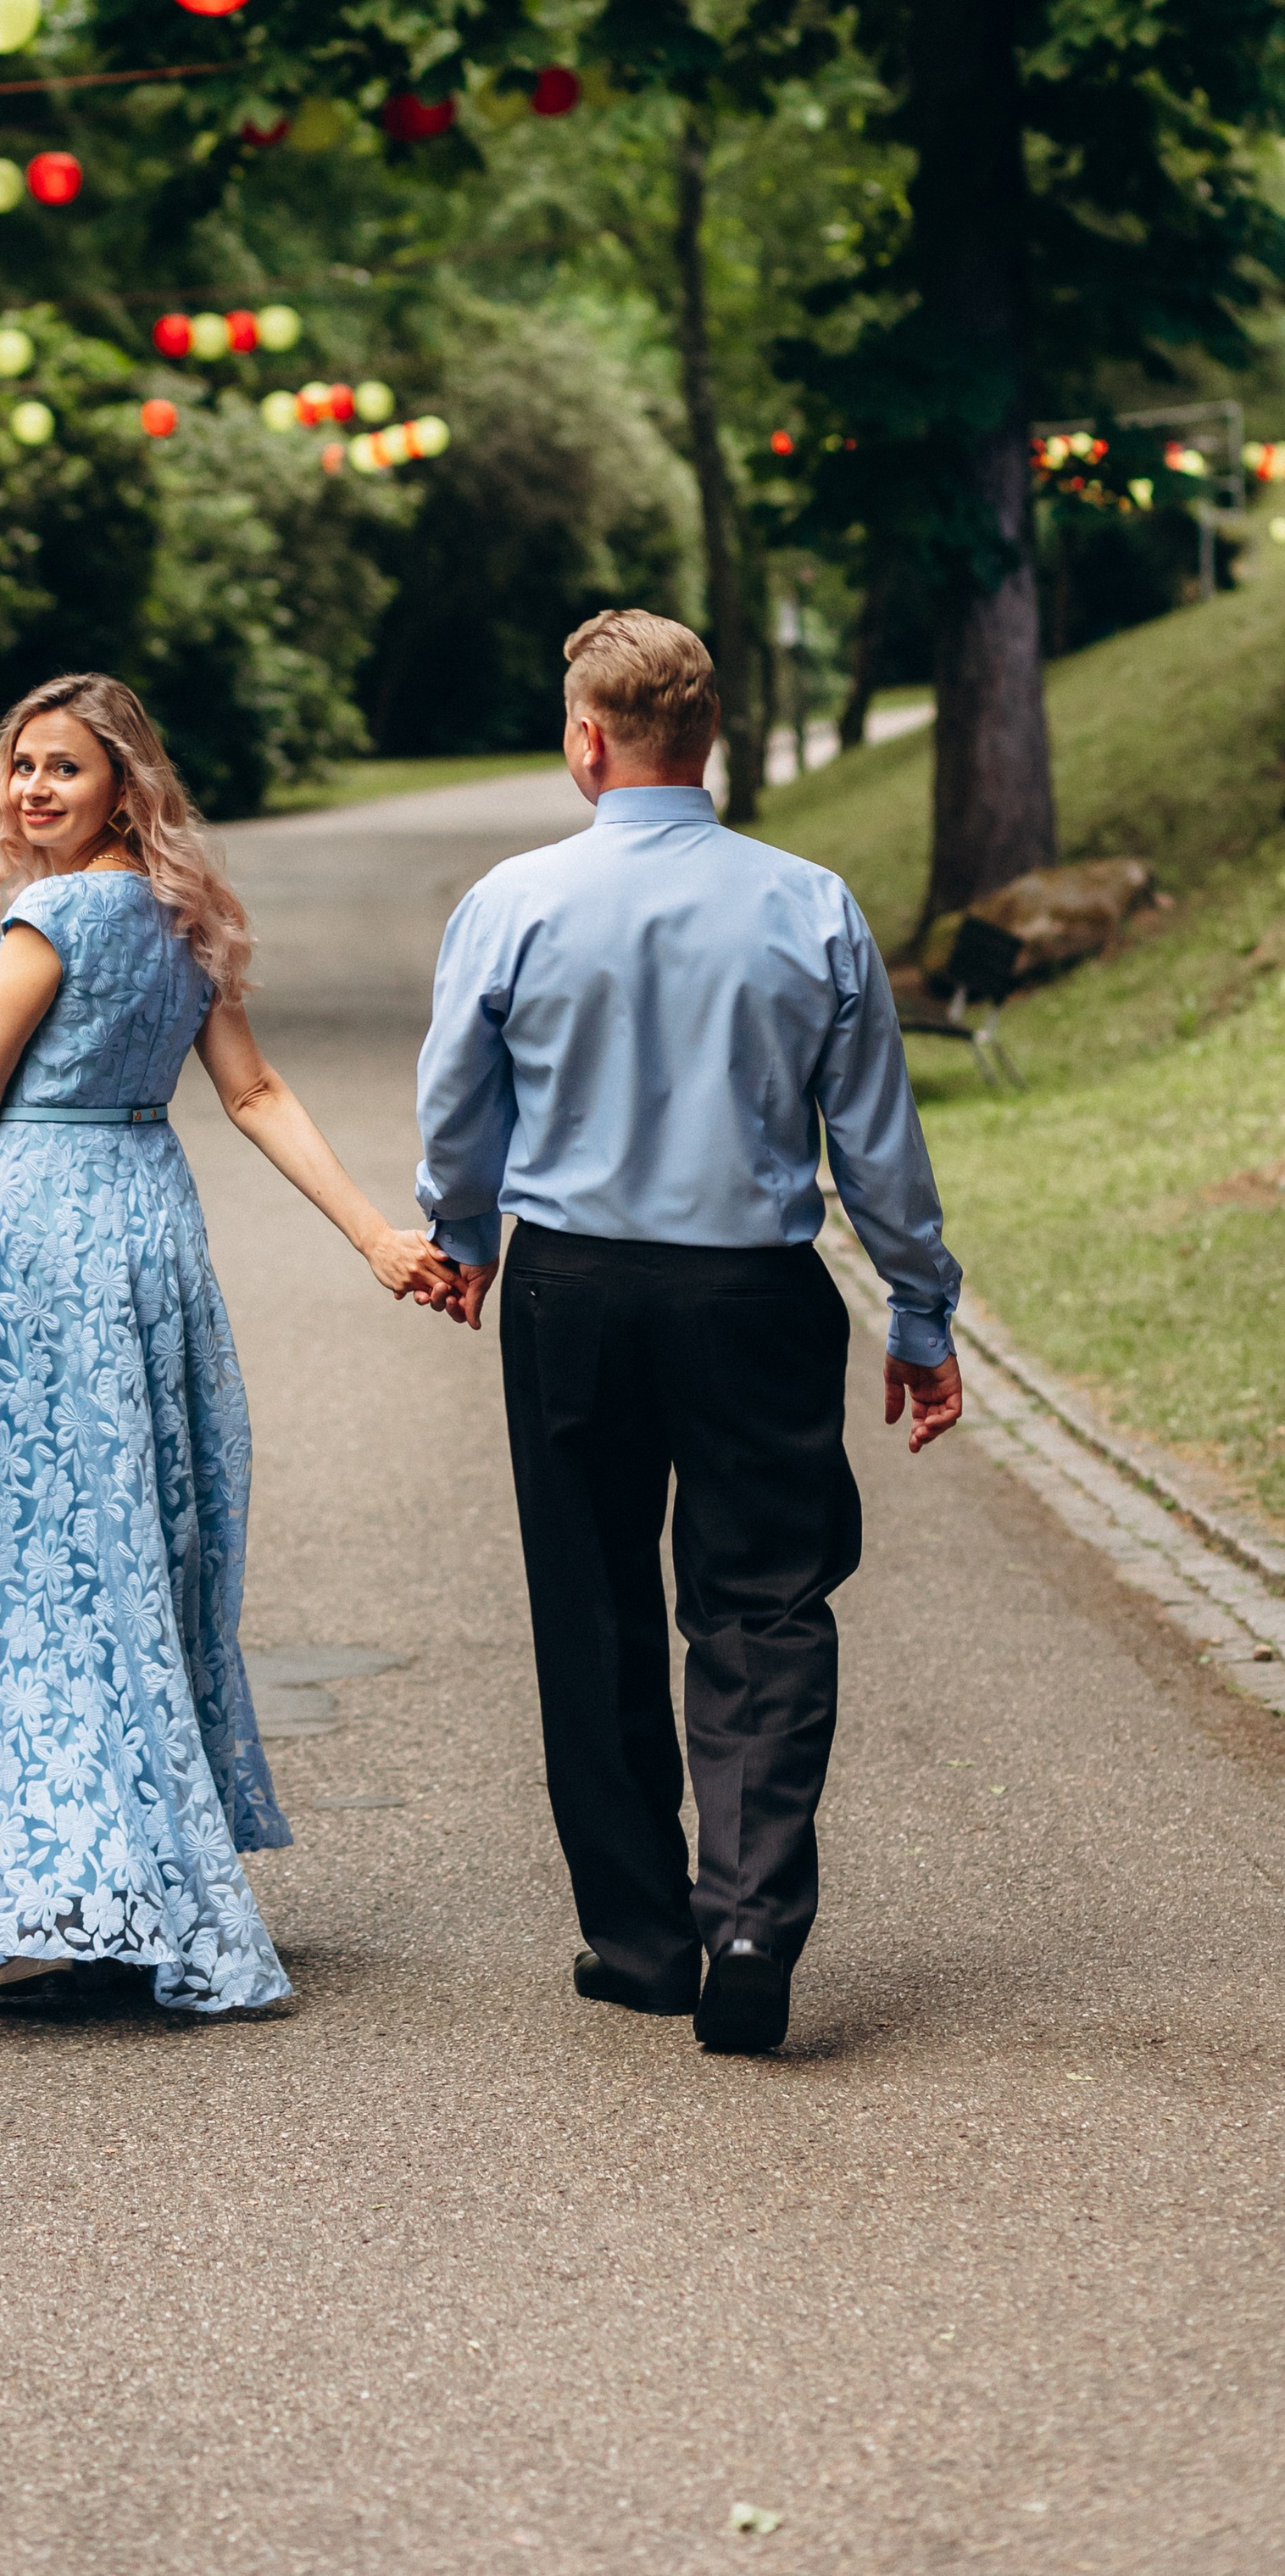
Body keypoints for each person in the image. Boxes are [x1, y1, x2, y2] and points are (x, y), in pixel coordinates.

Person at [0, 672, 453, 2019]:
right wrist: (373, 1235)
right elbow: (253, 1092)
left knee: (40, 1550)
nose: (33, 790)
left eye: (63, 768)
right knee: (129, 1541)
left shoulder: (46, 919)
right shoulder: (180, 917)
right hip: (147, 1230)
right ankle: (115, 1870)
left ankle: (64, 1874)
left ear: (123, 783)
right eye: (20, 768)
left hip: (47, 1237)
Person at [413, 609, 963, 2058]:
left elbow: (458, 1111)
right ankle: (755, 1921)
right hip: (753, 1296)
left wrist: (463, 1238)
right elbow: (878, 1143)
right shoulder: (811, 902)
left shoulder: (515, 899)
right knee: (765, 1601)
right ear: (705, 741)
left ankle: (645, 1940)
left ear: (588, 741)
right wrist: (918, 1308)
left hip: (575, 1290)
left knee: (591, 1602)